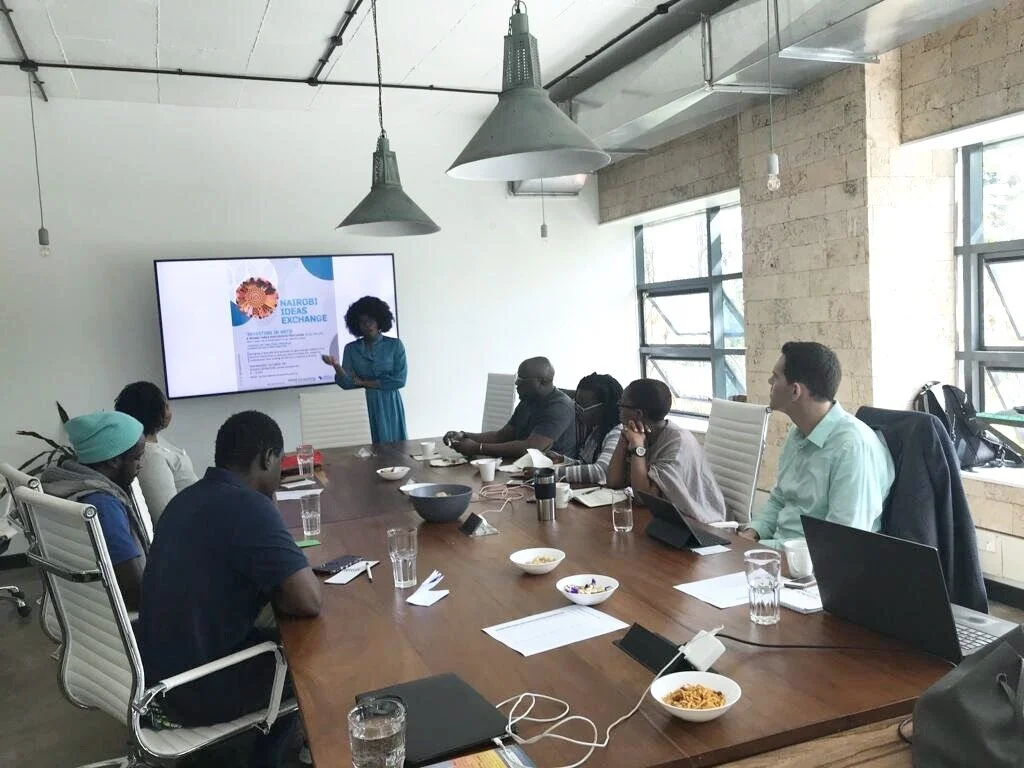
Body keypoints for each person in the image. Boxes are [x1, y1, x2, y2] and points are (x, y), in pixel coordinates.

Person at [137, 410, 321, 768]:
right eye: (279, 463)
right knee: (312, 658)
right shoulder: (248, 506)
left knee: (280, 633)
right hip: (197, 689)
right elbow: (309, 600)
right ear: (267, 458)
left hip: (158, 676)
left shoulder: (186, 500)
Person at [739, 341, 895, 548]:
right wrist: (752, 533)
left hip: (816, 563)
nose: (769, 381)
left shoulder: (853, 447)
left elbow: (840, 542)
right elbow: (779, 499)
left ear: (795, 391)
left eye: (775, 377)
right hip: (780, 552)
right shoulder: (797, 433)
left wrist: (762, 549)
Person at [40, 411, 147, 611]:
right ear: (114, 460)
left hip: (82, 606)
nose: (141, 465)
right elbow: (136, 594)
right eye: (137, 458)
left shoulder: (65, 484)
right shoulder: (103, 506)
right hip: (127, 614)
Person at [605, 379, 726, 524]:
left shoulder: (677, 443)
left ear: (638, 413)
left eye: (622, 404)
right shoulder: (639, 434)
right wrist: (623, 439)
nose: (619, 409)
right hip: (667, 519)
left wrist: (638, 447)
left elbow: (643, 498)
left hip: (701, 523)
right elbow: (614, 481)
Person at [445, 357, 576, 459]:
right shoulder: (528, 400)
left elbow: (531, 448)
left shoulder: (560, 407)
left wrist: (477, 448)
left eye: (522, 379)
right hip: (521, 467)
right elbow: (500, 436)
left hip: (552, 475)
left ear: (540, 382)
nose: (516, 382)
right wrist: (465, 436)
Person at [321, 296, 407, 444]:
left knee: (394, 448)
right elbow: (347, 383)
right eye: (362, 322)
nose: (367, 325)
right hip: (362, 405)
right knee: (367, 449)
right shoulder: (351, 349)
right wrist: (336, 365)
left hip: (389, 404)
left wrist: (363, 382)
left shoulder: (395, 345)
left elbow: (399, 380)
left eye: (371, 320)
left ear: (379, 321)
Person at [114, 381, 198, 523]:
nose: (169, 411)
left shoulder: (154, 441)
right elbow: (167, 517)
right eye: (166, 406)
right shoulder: (150, 457)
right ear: (155, 413)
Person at [548, 373, 623, 485]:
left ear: (604, 407)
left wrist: (549, 473)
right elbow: (587, 465)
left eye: (583, 405)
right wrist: (563, 460)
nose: (576, 409)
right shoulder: (596, 431)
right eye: (576, 403)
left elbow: (601, 472)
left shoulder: (617, 433)